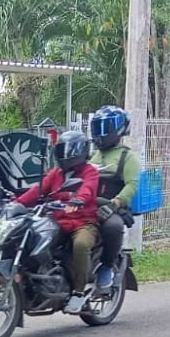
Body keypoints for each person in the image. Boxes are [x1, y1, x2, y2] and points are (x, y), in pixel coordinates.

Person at [15, 129, 101, 314]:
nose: (64, 155)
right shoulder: (56, 173)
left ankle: (78, 293)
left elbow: (88, 189)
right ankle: (39, 281)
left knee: (80, 244)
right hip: (59, 221)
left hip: (83, 222)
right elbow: (39, 189)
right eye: (61, 150)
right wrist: (17, 204)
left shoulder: (90, 172)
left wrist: (77, 200)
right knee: (33, 236)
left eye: (68, 151)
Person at [88, 105, 142, 292]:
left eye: (106, 127)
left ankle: (106, 267)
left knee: (113, 226)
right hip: (87, 205)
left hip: (111, 207)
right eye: (98, 127)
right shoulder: (94, 155)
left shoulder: (128, 157)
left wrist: (116, 203)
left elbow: (132, 185)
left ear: (118, 129)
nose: (100, 133)